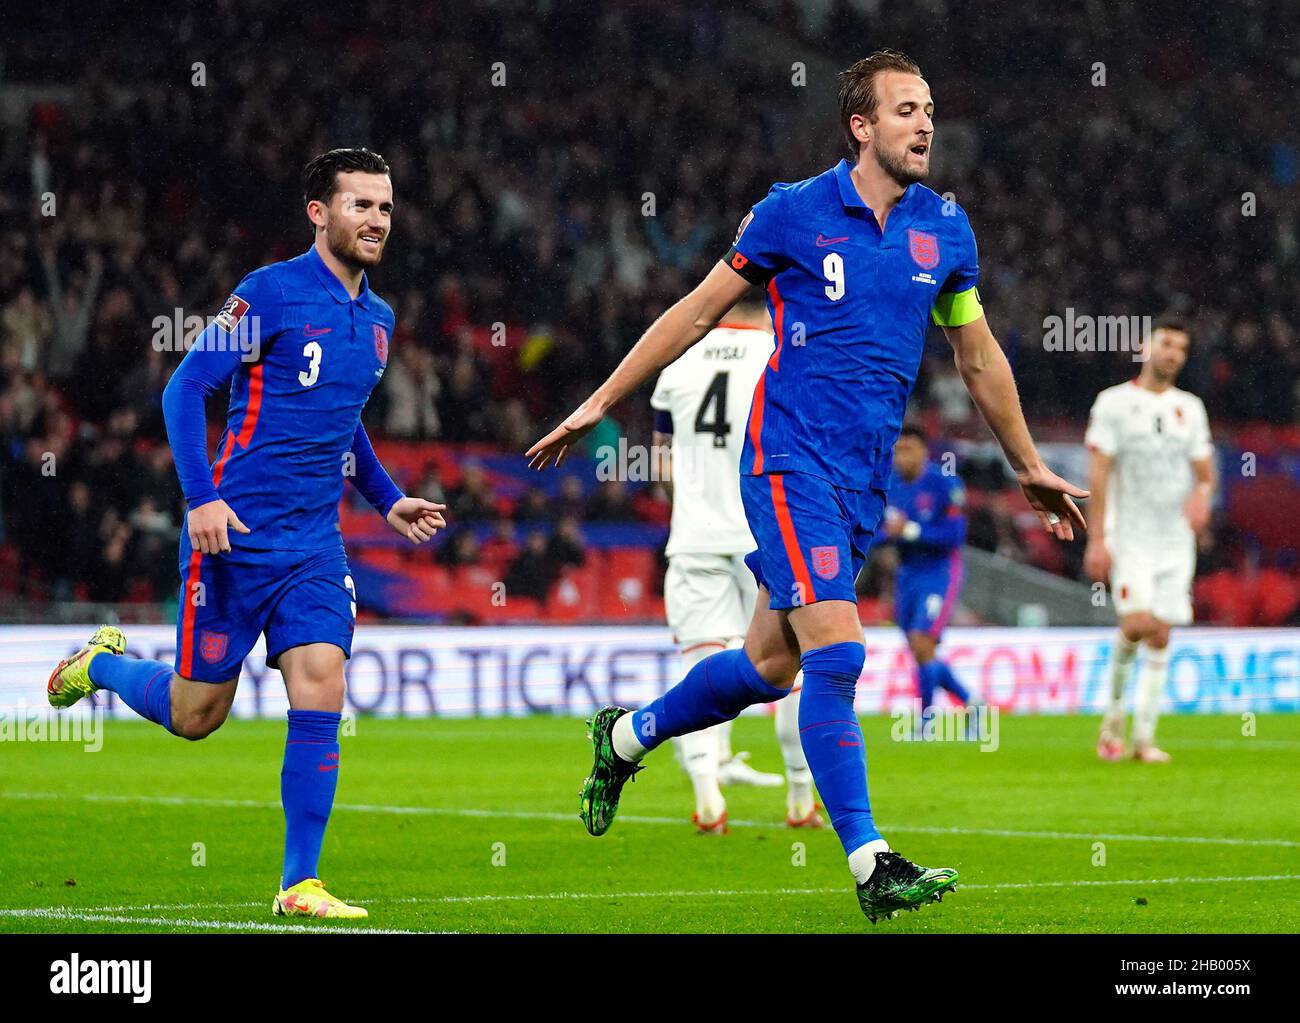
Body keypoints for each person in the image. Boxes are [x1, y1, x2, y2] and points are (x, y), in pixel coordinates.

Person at [527, 50, 1086, 923]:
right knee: (841, 652)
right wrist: (599, 400)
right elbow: (697, 310)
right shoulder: (792, 212)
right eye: (906, 110)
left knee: (766, 666)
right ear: (861, 126)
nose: (926, 123)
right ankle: (872, 862)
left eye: (930, 108)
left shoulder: (946, 229)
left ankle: (626, 734)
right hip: (786, 460)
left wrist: (1027, 464)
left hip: (861, 483)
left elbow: (977, 356)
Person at [46, 148, 446, 919]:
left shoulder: (381, 320)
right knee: (199, 715)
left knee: (322, 679)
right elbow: (186, 386)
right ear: (318, 212)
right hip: (232, 535)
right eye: (359, 205)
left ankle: (301, 881)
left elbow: (343, 423)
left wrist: (387, 498)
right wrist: (199, 497)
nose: (376, 220)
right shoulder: (270, 294)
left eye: (386, 207)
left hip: (314, 547)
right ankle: (99, 665)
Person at [649, 289, 821, 833]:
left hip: (695, 538)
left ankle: (708, 801)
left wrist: (697, 500)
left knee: (700, 666)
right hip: (769, 538)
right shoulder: (782, 355)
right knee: (792, 670)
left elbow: (660, 470)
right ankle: (799, 799)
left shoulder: (674, 360)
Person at [1084, 319, 1214, 763]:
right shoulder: (1114, 403)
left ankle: (1143, 739)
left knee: (1161, 634)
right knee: (1137, 624)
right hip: (1131, 535)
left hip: (1175, 539)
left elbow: (1205, 471)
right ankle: (1113, 719)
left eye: (1181, 347)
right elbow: (1098, 474)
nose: (1173, 353)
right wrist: (1097, 538)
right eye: (1166, 343)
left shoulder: (1191, 408)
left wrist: (1203, 496)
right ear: (1146, 346)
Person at [882, 425, 974, 731]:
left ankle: (925, 720)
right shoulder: (890, 485)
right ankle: (973, 704)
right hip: (907, 573)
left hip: (940, 571)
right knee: (919, 648)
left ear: (923, 451)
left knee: (923, 642)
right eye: (897, 450)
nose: (901, 456)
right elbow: (880, 532)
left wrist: (909, 531)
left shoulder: (943, 484)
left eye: (908, 449)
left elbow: (955, 535)